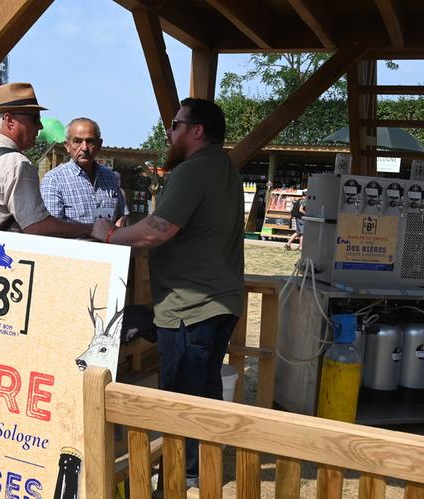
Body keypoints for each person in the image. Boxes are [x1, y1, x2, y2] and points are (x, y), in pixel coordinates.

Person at [91, 98, 244, 486]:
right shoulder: (223, 166)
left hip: (190, 307)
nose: (169, 132)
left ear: (196, 131)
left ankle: (180, 477)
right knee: (203, 390)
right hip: (218, 301)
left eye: (175, 125)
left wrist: (109, 235)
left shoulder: (192, 170)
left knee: (178, 400)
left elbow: (157, 229)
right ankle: (199, 468)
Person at [0, 82, 91, 237]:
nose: (40, 126)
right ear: (10, 120)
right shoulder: (16, 163)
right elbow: (36, 226)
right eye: (34, 119)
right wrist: (89, 229)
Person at [40, 118, 127, 225]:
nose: (84, 148)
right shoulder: (54, 180)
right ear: (67, 145)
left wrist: (120, 224)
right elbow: (52, 227)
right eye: (77, 141)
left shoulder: (111, 177)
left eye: (90, 141)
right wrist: (90, 232)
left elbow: (121, 216)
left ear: (99, 145)